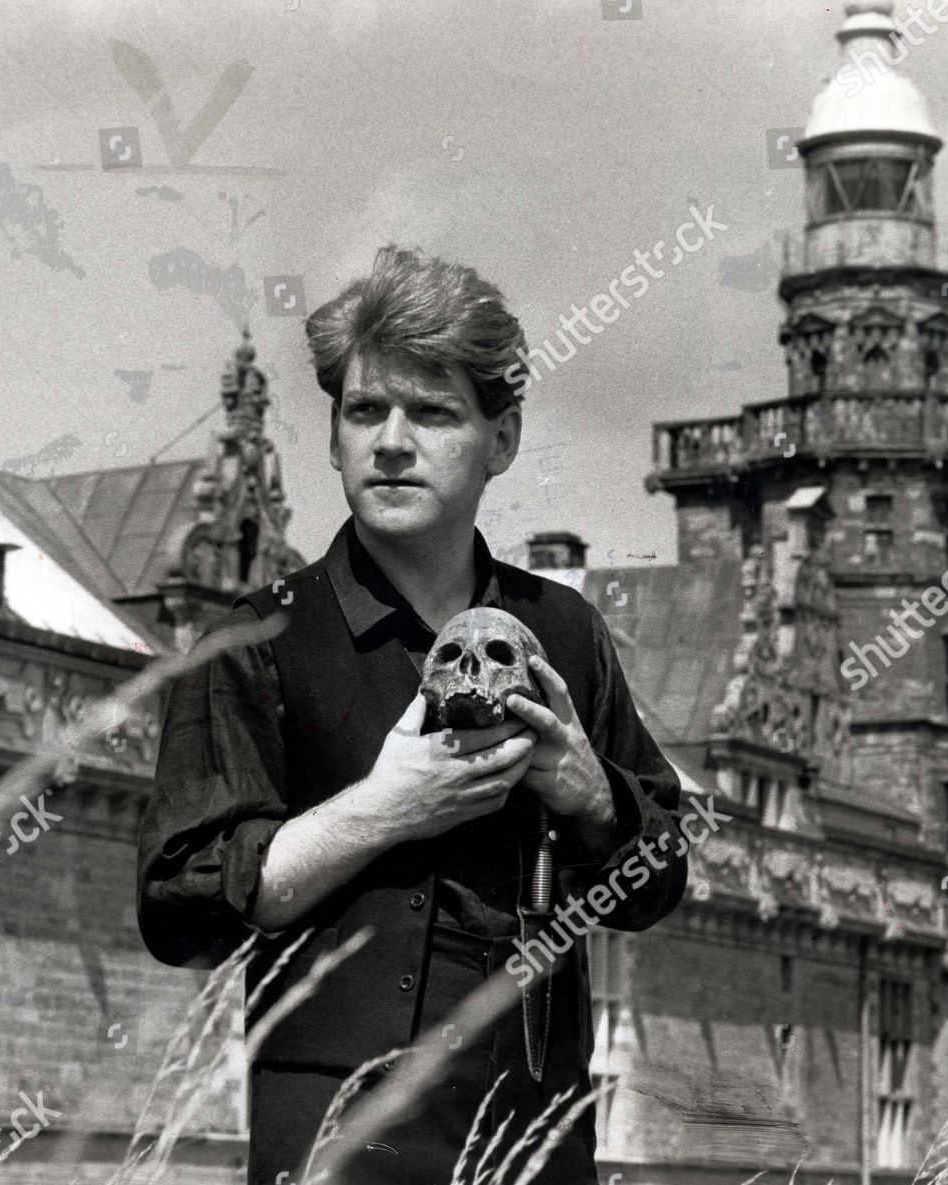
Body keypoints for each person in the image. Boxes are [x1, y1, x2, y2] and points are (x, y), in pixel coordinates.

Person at [136, 244, 688, 1184]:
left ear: (501, 439)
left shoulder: (567, 631)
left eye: (431, 412)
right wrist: (384, 807)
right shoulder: (254, 638)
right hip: (332, 1145)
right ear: (335, 433)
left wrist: (593, 798)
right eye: (364, 410)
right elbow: (180, 905)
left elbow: (658, 882)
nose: (391, 440)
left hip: (535, 1142)